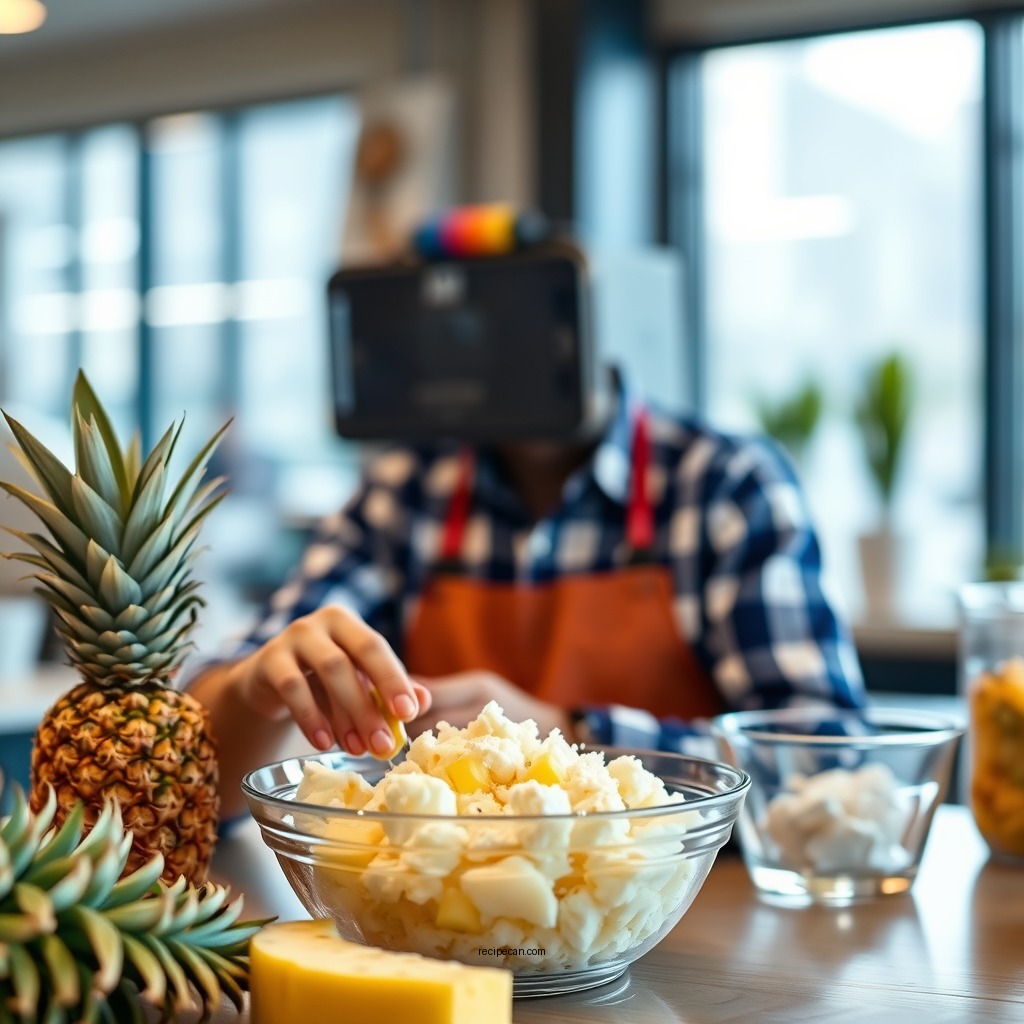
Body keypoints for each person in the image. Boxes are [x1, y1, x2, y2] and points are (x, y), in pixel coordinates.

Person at [190, 363, 866, 817]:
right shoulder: (405, 492)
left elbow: (833, 759)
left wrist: (571, 733)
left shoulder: (723, 485)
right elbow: (192, 767)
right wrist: (254, 689)